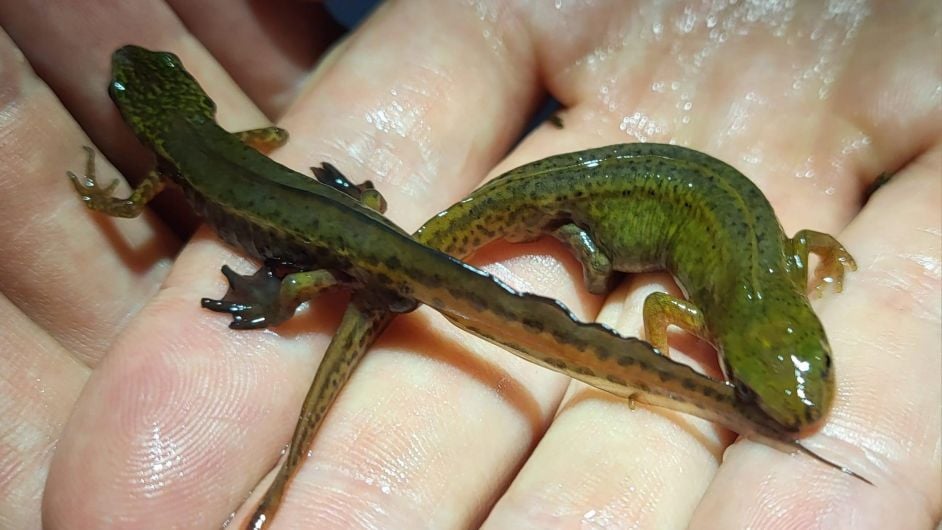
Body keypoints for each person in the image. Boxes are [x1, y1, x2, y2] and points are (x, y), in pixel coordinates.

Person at [1, 1, 939, 528]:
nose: (806, 404)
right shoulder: (720, 306)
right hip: (567, 200)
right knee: (407, 268)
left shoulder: (757, 284)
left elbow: (796, 253)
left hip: (590, 189)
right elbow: (672, 309)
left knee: (392, 273)